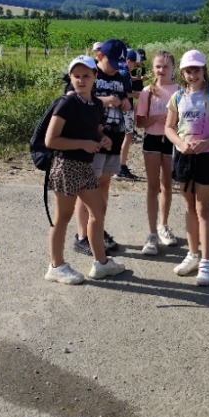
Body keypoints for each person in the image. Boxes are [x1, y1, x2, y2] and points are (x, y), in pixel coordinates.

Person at [44, 56, 125, 284]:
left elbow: (96, 130)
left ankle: (101, 264)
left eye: (86, 75)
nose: (81, 80)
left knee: (98, 211)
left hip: (84, 166)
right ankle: (56, 266)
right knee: (62, 218)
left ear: (95, 77)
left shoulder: (95, 104)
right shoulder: (67, 103)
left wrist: (103, 139)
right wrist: (83, 144)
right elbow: (51, 140)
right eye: (76, 76)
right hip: (65, 166)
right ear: (70, 78)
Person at [164, 50, 209, 286]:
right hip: (183, 158)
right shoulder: (177, 97)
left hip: (207, 158)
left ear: (204, 71)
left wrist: (207, 142)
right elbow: (169, 128)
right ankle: (192, 254)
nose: (193, 75)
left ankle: (206, 261)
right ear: (182, 73)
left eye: (197, 70)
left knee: (203, 209)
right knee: (189, 207)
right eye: (188, 71)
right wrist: (181, 144)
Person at [73, 39, 130, 256]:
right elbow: (77, 98)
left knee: (103, 185)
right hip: (94, 140)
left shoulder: (120, 77)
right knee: (87, 188)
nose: (115, 68)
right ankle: (82, 236)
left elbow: (124, 97)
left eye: (119, 64)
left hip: (114, 139)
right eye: (111, 63)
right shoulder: (90, 75)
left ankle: (96, 227)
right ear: (99, 57)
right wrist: (106, 100)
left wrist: (125, 101)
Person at [135, 50, 179, 255]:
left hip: (172, 141)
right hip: (152, 140)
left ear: (173, 68)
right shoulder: (147, 91)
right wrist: (158, 117)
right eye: (158, 66)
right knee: (153, 186)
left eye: (166, 66)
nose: (161, 70)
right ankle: (152, 233)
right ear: (153, 68)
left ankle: (163, 226)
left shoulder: (180, 91)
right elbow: (140, 122)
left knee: (167, 185)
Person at [116, 49, 144, 181]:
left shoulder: (121, 70)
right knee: (128, 136)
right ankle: (121, 167)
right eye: (135, 64)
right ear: (129, 61)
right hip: (126, 109)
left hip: (120, 110)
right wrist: (138, 95)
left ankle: (118, 165)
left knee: (123, 137)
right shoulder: (124, 72)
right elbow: (124, 94)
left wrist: (137, 79)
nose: (135, 67)